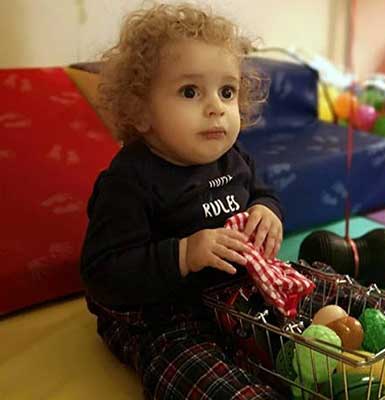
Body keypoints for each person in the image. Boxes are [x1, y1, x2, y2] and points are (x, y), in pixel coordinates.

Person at [80, 4, 285, 399]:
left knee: (311, 301)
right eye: (190, 92)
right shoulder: (128, 181)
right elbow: (101, 273)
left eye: (227, 91)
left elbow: (262, 192)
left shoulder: (233, 158)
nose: (216, 107)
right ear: (141, 111)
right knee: (192, 369)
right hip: (160, 317)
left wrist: (267, 210)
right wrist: (184, 254)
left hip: (234, 294)